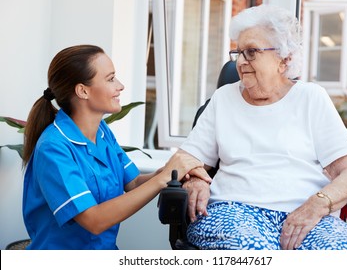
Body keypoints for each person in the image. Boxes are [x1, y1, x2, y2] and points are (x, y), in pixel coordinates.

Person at [179, 4, 347, 250]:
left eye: (251, 52)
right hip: (234, 211)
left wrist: (318, 203)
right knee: (252, 250)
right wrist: (194, 181)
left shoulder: (311, 98)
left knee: (339, 252)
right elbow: (186, 160)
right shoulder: (223, 98)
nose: (240, 62)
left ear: (285, 59)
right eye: (238, 52)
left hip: (308, 214)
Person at [22, 44, 211, 249]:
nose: (120, 86)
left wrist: (171, 172)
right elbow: (94, 221)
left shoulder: (101, 131)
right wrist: (163, 178)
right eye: (111, 79)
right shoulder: (53, 148)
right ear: (82, 90)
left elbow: (134, 182)